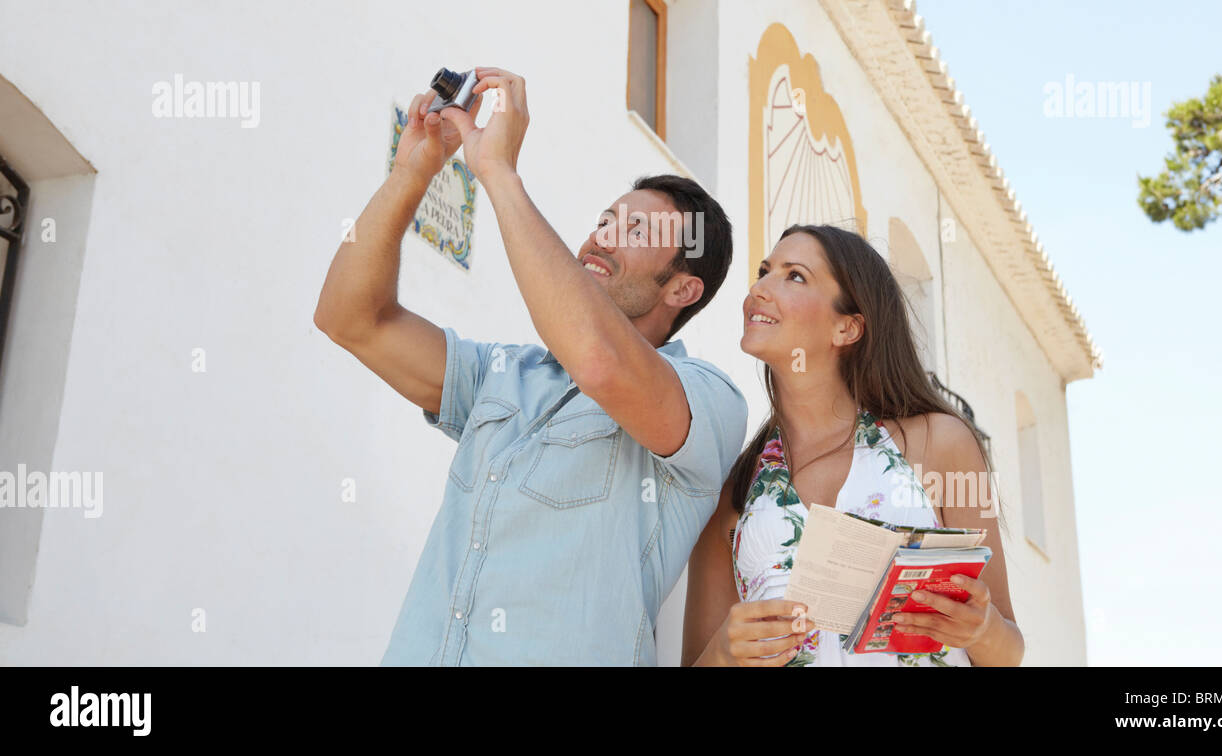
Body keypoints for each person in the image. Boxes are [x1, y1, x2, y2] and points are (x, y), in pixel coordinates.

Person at [313, 66, 747, 665]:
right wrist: (412, 174)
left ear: (683, 290)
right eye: (605, 220)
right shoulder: (503, 374)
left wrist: (497, 170)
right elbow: (349, 318)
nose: (601, 237)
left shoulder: (711, 400)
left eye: (635, 228)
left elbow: (601, 362)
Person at [681, 224, 1024, 666]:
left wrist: (981, 627)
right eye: (764, 271)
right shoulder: (737, 491)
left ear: (847, 327)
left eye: (794, 276)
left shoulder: (942, 443)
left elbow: (1008, 652)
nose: (759, 287)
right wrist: (724, 654)